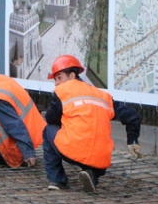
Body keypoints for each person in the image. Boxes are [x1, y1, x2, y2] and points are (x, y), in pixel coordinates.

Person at [42, 54, 142, 193]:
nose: (56, 83)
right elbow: (132, 116)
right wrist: (132, 140)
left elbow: (51, 119)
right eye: (55, 80)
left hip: (73, 151)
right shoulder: (101, 95)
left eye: (59, 78)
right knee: (93, 154)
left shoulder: (62, 91)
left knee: (48, 130)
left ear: (71, 76)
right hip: (102, 158)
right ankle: (92, 175)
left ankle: (57, 180)